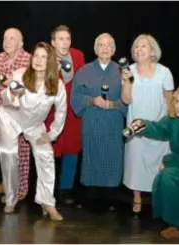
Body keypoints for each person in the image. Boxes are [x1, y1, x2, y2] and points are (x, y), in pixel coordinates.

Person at [128, 84, 179, 239]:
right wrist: (142, 124)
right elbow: (159, 128)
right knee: (166, 176)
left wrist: (169, 162)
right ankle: (178, 222)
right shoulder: (174, 120)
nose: (178, 106)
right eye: (177, 101)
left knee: (169, 176)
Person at [0, 42, 66, 220]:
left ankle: (47, 202)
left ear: (50, 61)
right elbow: (6, 99)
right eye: (36, 55)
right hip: (11, 118)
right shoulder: (21, 75)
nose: (38, 60)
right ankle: (11, 200)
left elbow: (61, 113)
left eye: (44, 57)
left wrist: (51, 134)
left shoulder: (57, 85)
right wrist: (12, 94)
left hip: (34, 124)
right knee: (9, 155)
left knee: (46, 155)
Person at [70, 33, 128, 208]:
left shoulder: (122, 72)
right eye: (101, 45)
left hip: (113, 121)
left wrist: (112, 104)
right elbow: (75, 95)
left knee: (112, 157)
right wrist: (92, 100)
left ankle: (111, 199)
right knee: (91, 156)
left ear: (114, 49)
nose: (105, 48)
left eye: (109, 45)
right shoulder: (84, 71)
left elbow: (129, 99)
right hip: (92, 121)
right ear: (95, 49)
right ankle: (90, 199)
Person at [121, 34, 174, 214]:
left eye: (143, 46)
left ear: (152, 51)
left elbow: (170, 100)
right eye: (136, 46)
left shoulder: (164, 72)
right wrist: (126, 80)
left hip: (158, 125)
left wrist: (171, 124)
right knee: (135, 162)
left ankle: (159, 197)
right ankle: (137, 198)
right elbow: (126, 100)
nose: (139, 49)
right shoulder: (129, 71)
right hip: (136, 126)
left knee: (160, 163)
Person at [45, 25, 85, 204]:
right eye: (60, 39)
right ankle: (48, 188)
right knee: (50, 149)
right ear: (53, 42)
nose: (65, 42)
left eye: (67, 39)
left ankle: (66, 189)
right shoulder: (45, 56)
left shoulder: (77, 55)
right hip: (51, 109)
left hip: (72, 108)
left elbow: (82, 81)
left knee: (71, 148)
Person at [0, 28, 32, 200]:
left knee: (21, 151)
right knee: (5, 151)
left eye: (12, 38)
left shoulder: (28, 59)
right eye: (5, 38)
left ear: (21, 43)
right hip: (2, 111)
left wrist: (8, 81)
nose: (7, 41)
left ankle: (22, 188)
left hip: (20, 111)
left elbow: (24, 86)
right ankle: (7, 182)